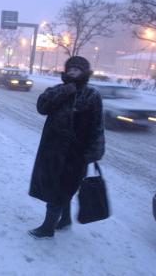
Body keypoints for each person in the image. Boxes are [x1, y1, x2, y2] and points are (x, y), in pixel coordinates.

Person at [28, 56, 105, 239]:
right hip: (52, 151)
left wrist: (94, 151)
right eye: (70, 69)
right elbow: (42, 107)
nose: (72, 72)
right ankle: (64, 220)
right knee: (58, 187)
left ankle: (48, 227)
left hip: (76, 153)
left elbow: (97, 125)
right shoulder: (57, 90)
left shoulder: (91, 95)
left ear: (84, 73)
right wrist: (64, 91)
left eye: (77, 70)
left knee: (63, 188)